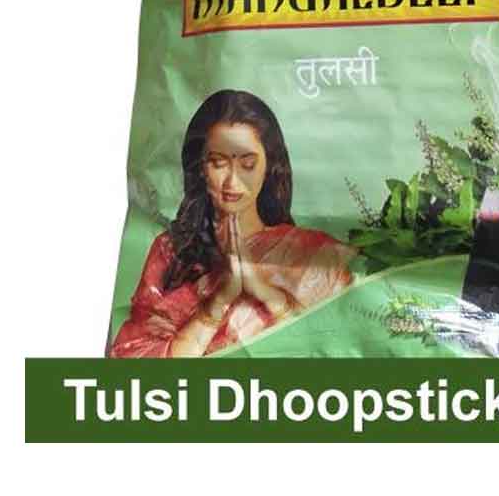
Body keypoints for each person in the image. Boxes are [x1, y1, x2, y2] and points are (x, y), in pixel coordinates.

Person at [110, 90, 354, 357]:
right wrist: (220, 300)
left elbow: (339, 346)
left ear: (269, 166)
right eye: (218, 163)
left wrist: (265, 292)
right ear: (200, 167)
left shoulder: (312, 253)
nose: (232, 182)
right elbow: (135, 361)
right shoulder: (171, 251)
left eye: (248, 164)